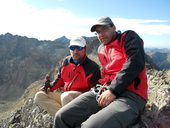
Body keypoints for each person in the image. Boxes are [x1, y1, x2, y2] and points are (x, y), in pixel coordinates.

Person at [53, 16, 148, 128]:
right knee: (61, 117)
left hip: (131, 95)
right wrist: (106, 89)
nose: (101, 34)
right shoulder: (101, 49)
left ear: (114, 27)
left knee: (90, 126)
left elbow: (135, 62)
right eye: (98, 32)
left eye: (104, 29)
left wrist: (113, 90)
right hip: (103, 90)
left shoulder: (128, 38)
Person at [34, 36, 101, 116]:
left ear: (85, 49)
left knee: (66, 96)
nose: (75, 51)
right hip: (66, 98)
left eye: (79, 48)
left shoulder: (92, 67)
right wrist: (49, 87)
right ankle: (64, 118)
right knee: (39, 96)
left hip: (82, 101)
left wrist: (81, 96)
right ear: (69, 49)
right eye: (73, 48)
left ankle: (68, 118)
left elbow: (96, 91)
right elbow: (60, 79)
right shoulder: (66, 62)